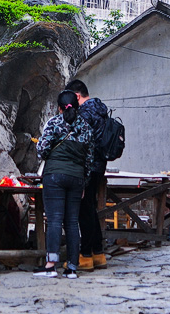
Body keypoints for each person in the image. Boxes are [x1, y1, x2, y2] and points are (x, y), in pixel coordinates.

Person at [35, 89, 95, 278]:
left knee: (54, 220)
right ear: (77, 107)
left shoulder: (54, 123)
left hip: (54, 176)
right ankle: (72, 268)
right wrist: (84, 183)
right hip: (76, 178)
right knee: (72, 222)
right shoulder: (86, 127)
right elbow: (89, 159)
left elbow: (42, 150)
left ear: (59, 108)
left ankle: (51, 265)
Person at [66, 78, 110, 271]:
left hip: (87, 166)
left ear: (77, 96)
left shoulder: (84, 113)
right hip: (100, 165)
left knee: (84, 210)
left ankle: (85, 256)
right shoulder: (101, 110)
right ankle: (98, 253)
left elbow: (81, 142)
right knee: (90, 208)